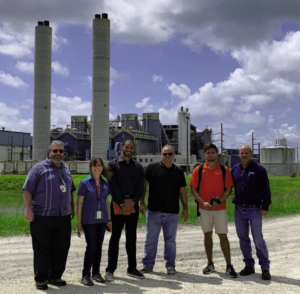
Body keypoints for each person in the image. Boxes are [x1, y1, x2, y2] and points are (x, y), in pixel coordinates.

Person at [23, 140, 76, 290]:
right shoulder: (39, 169)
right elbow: (27, 190)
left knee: (61, 247)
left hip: (63, 216)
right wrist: (28, 210)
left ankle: (55, 276)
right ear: (49, 152)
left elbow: (71, 190)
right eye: (55, 151)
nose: (58, 154)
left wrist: (71, 208)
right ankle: (41, 279)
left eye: (61, 151)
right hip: (42, 216)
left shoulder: (66, 169)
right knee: (42, 248)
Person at [190, 143, 237, 278]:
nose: (210, 155)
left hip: (220, 208)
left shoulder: (224, 170)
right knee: (207, 235)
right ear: (205, 155)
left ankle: (229, 265)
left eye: (213, 152)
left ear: (217, 154)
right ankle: (210, 263)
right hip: (203, 208)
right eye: (208, 153)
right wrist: (202, 202)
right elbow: (193, 189)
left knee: (223, 235)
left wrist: (220, 201)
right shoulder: (198, 170)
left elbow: (229, 188)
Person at [139, 145, 188, 275]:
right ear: (161, 155)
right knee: (151, 239)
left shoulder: (178, 171)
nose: (167, 156)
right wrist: (142, 202)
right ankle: (148, 265)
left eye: (170, 154)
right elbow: (144, 186)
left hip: (172, 212)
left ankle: (170, 265)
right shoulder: (152, 168)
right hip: (154, 211)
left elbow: (182, 191)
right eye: (165, 154)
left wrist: (185, 209)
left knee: (170, 241)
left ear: (174, 155)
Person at [105, 140, 145, 281]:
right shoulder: (113, 164)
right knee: (115, 237)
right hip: (117, 204)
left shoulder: (138, 166)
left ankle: (132, 268)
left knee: (131, 237)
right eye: (126, 147)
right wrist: (122, 203)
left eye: (131, 147)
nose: (129, 149)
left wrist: (133, 202)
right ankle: (110, 269)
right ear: (122, 148)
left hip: (132, 204)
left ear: (134, 149)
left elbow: (141, 187)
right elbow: (112, 184)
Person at [231, 145, 271, 281]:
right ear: (239, 154)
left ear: (251, 154)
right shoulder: (235, 169)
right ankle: (249, 265)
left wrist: (265, 206)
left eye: (246, 153)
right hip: (239, 208)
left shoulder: (259, 169)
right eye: (241, 153)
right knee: (243, 239)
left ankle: (265, 267)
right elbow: (229, 187)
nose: (243, 155)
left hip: (254, 209)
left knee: (258, 238)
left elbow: (266, 189)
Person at [77, 157, 112, 286]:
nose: (97, 168)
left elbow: (106, 201)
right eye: (95, 166)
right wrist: (79, 222)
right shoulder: (85, 183)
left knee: (98, 247)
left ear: (102, 168)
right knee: (91, 246)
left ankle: (96, 273)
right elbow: (79, 203)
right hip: (89, 220)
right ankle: (85, 275)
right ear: (90, 167)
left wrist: (108, 219)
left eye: (99, 166)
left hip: (102, 220)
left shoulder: (105, 183)